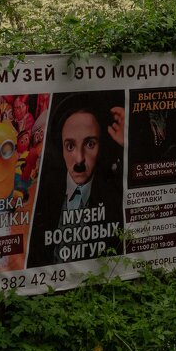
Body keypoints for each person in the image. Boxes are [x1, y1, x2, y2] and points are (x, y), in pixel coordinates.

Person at [27, 91, 125, 267]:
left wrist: (128, 145)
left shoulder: (113, 195)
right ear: (61, 149)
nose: (79, 159)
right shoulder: (42, 196)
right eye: (70, 145)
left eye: (90, 144)